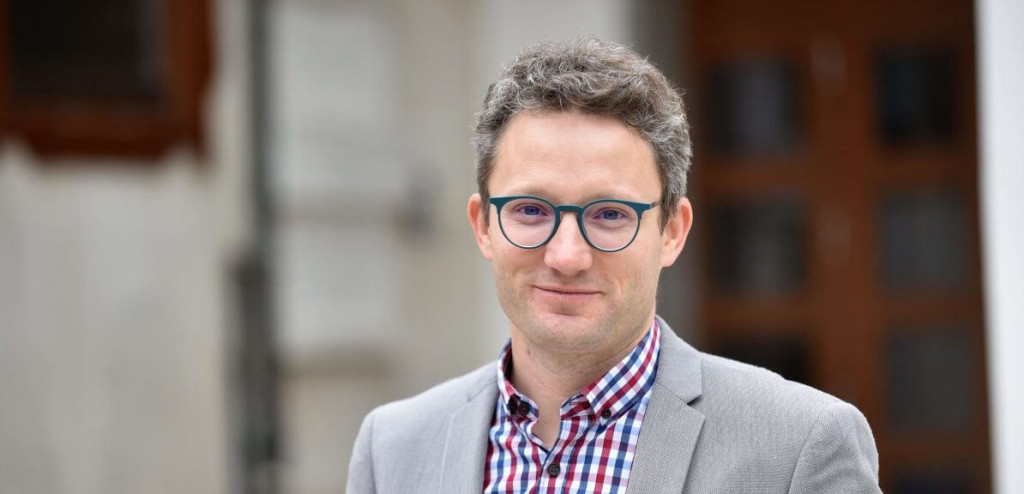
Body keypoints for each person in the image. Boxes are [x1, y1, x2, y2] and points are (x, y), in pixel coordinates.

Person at [347, 38, 880, 493]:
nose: (567, 256)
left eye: (609, 214)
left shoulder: (801, 447)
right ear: (483, 224)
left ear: (672, 231)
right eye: (531, 210)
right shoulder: (392, 450)